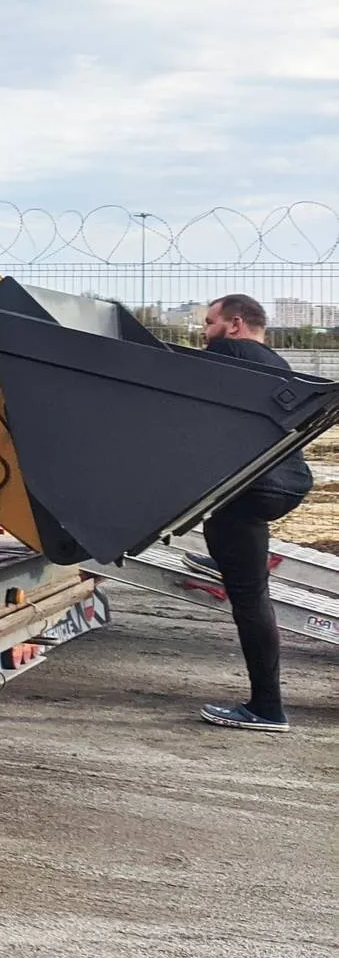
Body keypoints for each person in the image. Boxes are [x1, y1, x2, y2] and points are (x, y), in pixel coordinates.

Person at [195, 293, 314, 732]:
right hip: (282, 484)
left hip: (254, 488)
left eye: (209, 323)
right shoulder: (274, 362)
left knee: (250, 599)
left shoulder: (228, 350)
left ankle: (267, 708)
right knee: (225, 530)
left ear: (234, 324)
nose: (205, 333)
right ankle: (228, 558)